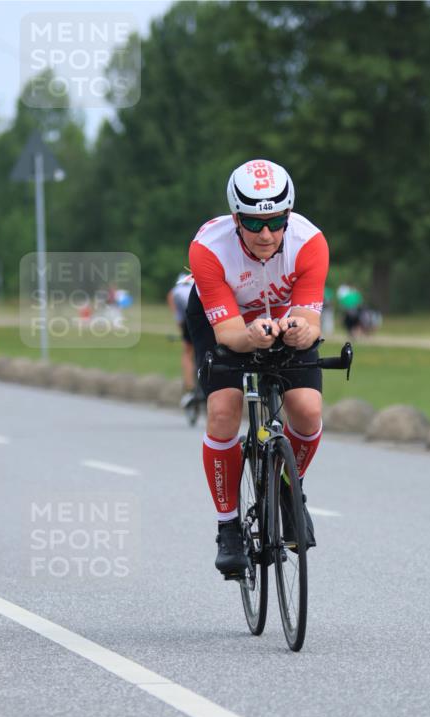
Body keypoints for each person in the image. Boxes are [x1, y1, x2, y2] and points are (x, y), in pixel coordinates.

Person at [187, 159, 329, 577]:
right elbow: (230, 333)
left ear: (288, 215)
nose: (266, 234)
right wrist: (251, 337)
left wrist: (301, 331)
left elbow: (311, 318)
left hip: (281, 318)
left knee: (307, 409)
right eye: (253, 222)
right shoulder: (208, 248)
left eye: (276, 221)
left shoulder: (309, 242)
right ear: (235, 218)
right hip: (226, 322)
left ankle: (288, 489)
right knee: (223, 410)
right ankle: (228, 526)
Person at [167, 271, 196, 406]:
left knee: (188, 352)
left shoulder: (175, 292)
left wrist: (182, 333)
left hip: (190, 319)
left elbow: (179, 319)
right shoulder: (199, 284)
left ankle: (190, 388)